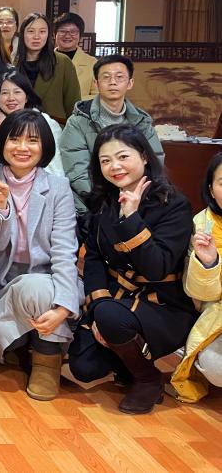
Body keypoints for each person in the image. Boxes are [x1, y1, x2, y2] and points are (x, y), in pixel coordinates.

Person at [67, 124, 196, 415]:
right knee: (84, 367)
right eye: (105, 160)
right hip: (116, 300)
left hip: (164, 305)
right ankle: (130, 362)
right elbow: (94, 258)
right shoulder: (104, 202)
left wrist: (132, 218)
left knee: (111, 316)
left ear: (145, 157)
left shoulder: (174, 203)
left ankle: (147, 378)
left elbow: (157, 267)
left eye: (123, 156)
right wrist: (98, 306)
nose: (114, 166)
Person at [0, 110, 80, 401]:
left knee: (38, 288)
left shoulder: (58, 188)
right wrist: (1, 207)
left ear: (45, 146)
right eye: (14, 139)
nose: (22, 147)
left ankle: (47, 359)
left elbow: (64, 251)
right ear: (2, 143)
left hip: (46, 284)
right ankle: (24, 345)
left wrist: (63, 307)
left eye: (32, 140)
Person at [59, 54, 164, 224]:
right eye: (106, 77)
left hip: (138, 200)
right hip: (93, 205)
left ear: (130, 83)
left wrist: (138, 196)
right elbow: (77, 172)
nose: (113, 82)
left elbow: (155, 161)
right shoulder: (78, 121)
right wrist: (112, 202)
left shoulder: (142, 122)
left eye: (119, 77)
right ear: (96, 83)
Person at [171, 153, 222, 402]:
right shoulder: (202, 226)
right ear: (211, 189)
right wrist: (208, 262)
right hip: (218, 314)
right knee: (216, 367)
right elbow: (200, 295)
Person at [0, 73, 64, 178]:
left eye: (17, 92)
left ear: (26, 97)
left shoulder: (46, 123)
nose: (11, 98)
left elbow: (55, 165)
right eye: (4, 93)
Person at [14, 12, 81, 122]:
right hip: (19, 126)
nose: (36, 36)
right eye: (31, 31)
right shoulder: (12, 64)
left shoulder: (62, 62)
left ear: (49, 35)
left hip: (55, 128)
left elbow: (73, 104)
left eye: (42, 31)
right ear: (22, 34)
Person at [54, 12, 98, 100]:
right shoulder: (44, 59)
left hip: (80, 108)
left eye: (73, 32)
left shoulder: (92, 63)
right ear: (54, 35)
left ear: (80, 35)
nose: (67, 36)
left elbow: (97, 95)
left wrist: (75, 101)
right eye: (62, 31)